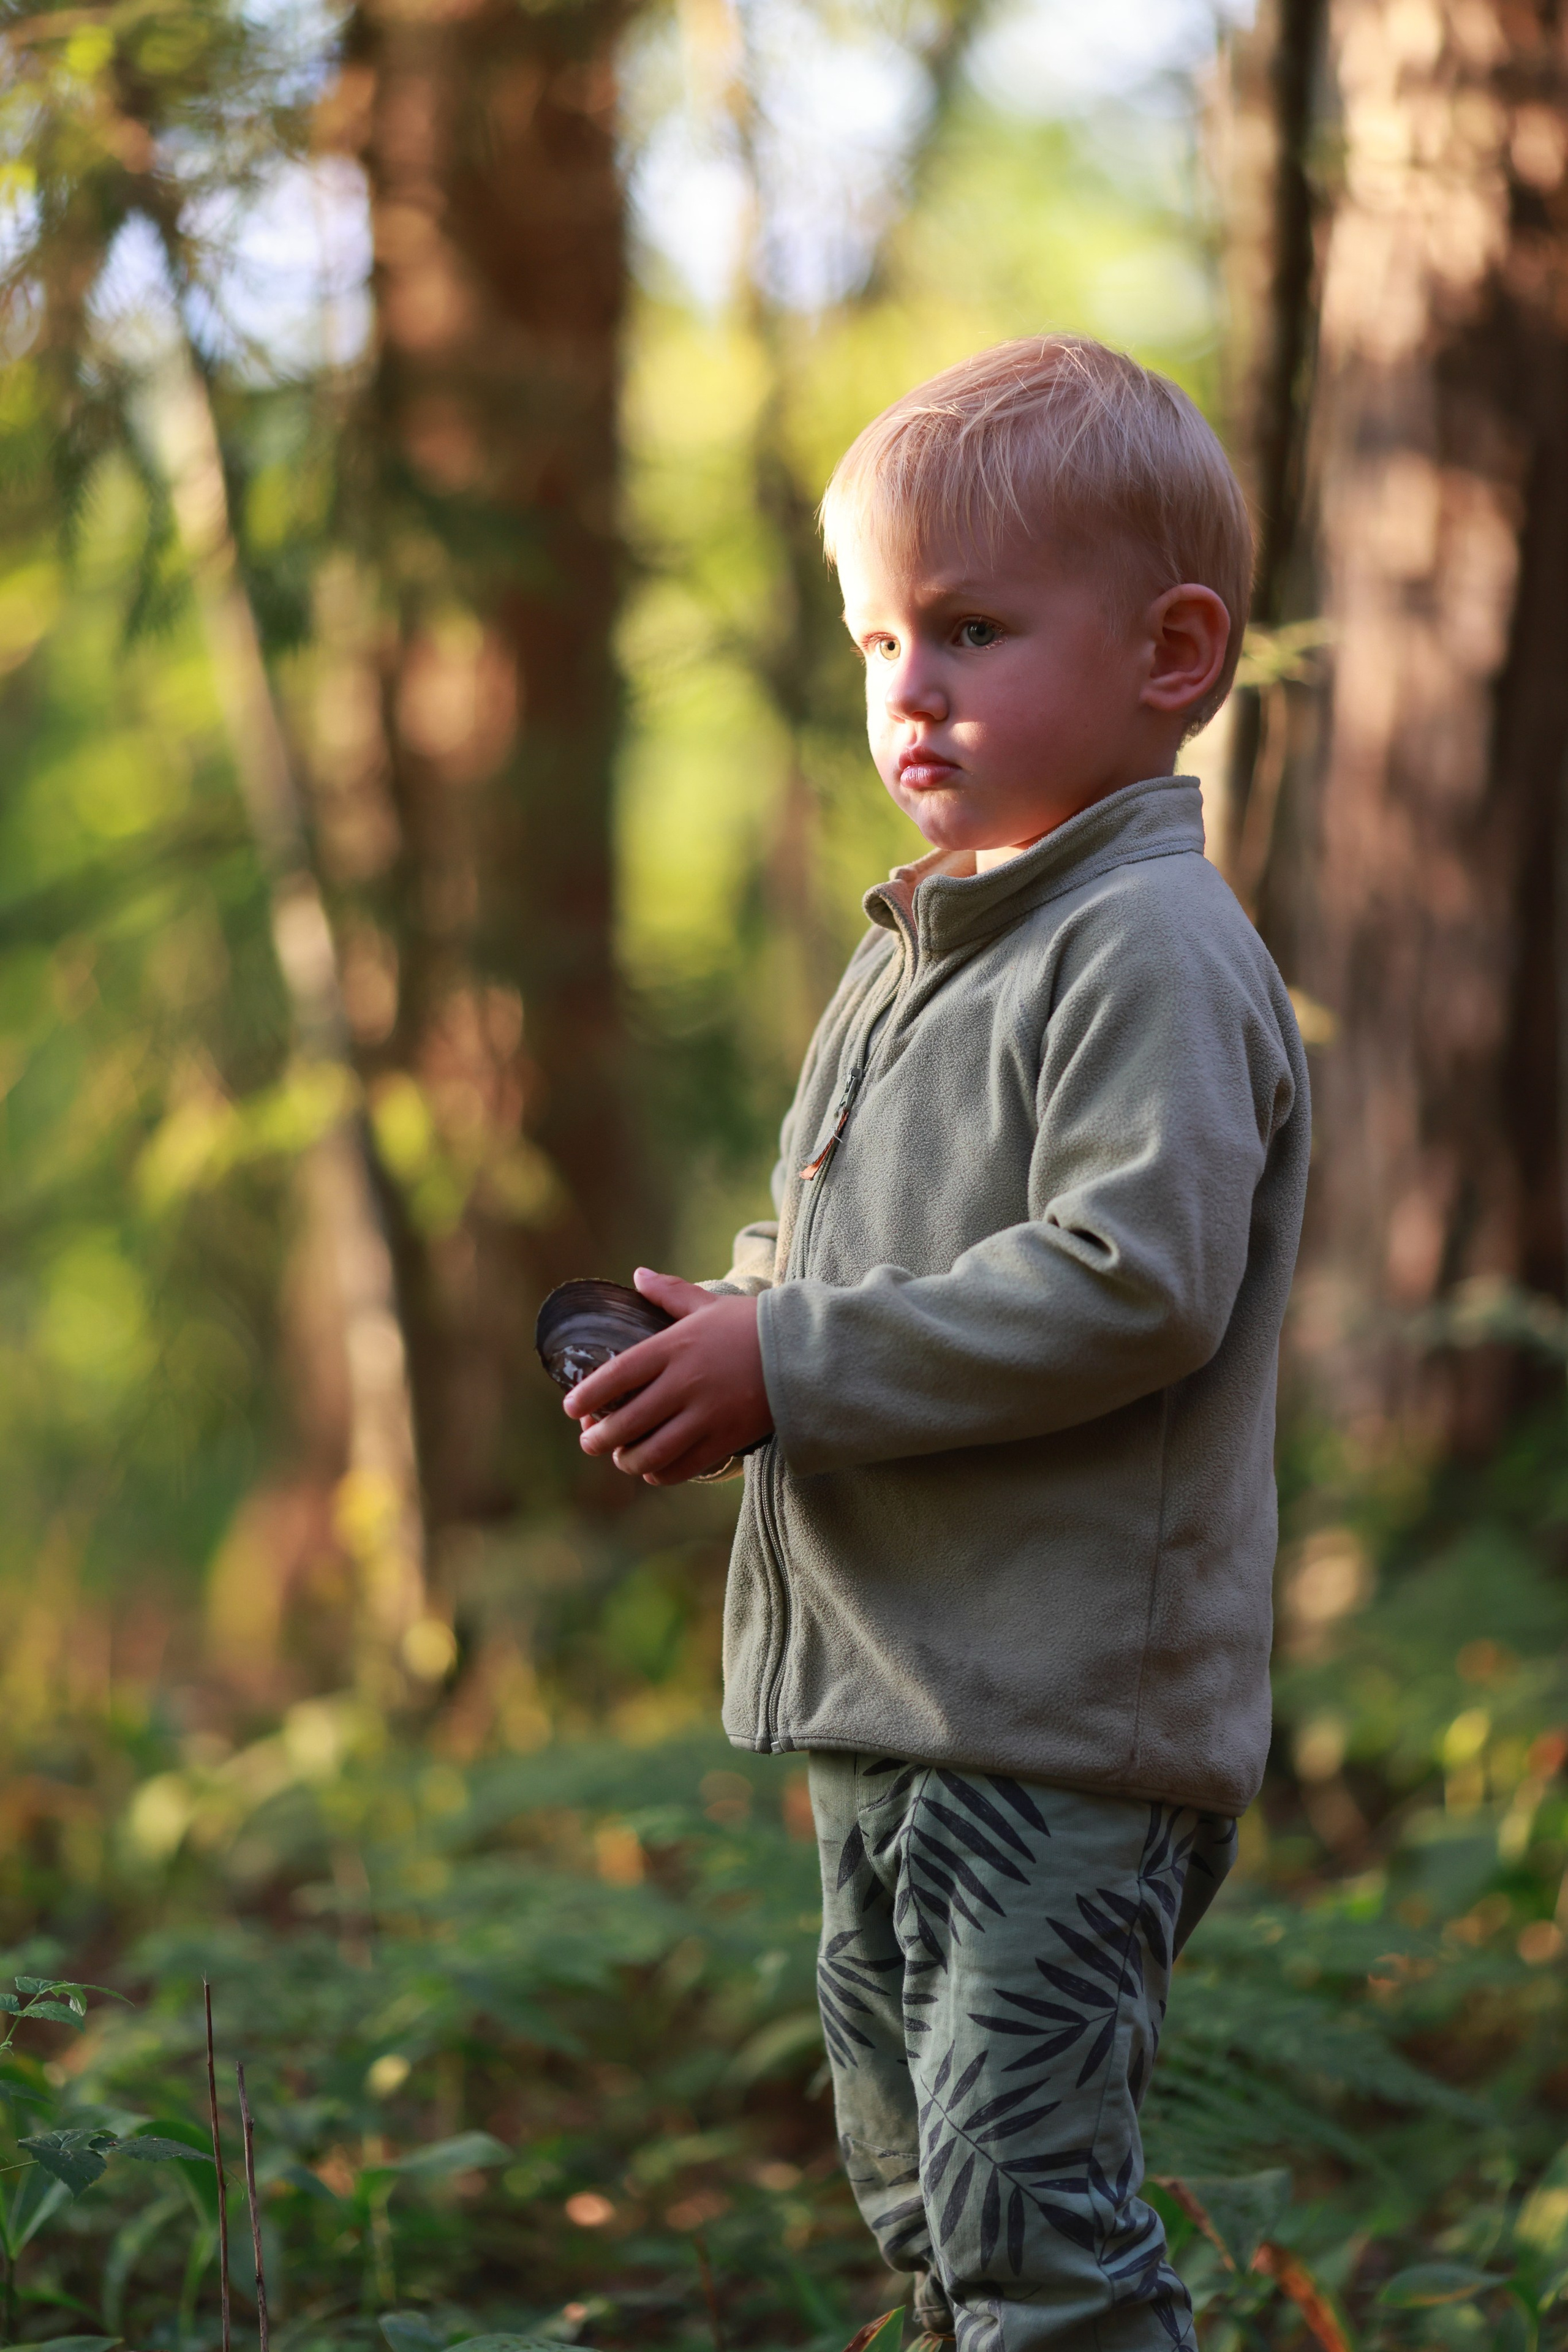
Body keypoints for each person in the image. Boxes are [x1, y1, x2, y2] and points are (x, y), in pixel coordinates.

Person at [563, 334, 1310, 2352]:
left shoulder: (1143, 949)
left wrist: (793, 1362)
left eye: (973, 628)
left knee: (1028, 2215)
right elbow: (858, 1241)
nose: (912, 690)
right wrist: (736, 1321)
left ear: (1172, 653)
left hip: (1060, 1716)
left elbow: (1133, 1281)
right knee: (920, 2191)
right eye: (882, 637)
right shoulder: (928, 941)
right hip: (899, 1694)